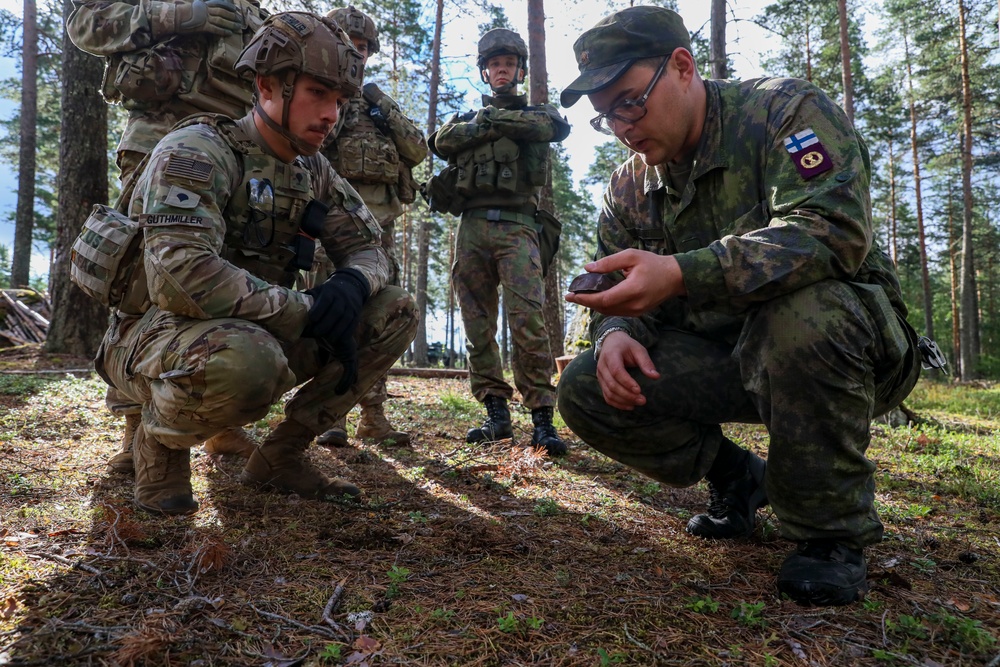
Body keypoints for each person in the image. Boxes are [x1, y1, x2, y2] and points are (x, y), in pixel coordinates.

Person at [557, 6, 922, 606]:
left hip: (847, 347)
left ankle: (827, 533)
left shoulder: (782, 111)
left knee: (799, 320)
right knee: (586, 386)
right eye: (606, 116)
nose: (621, 125)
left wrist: (682, 274)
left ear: (681, 67)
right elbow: (615, 290)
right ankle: (736, 479)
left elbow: (831, 230)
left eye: (629, 101)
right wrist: (617, 331)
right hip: (730, 359)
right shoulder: (627, 187)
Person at [72, 11, 417, 515]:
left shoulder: (312, 169)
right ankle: (158, 446)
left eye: (340, 101)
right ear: (268, 85)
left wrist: (351, 282)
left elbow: (370, 248)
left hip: (250, 329)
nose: (331, 115)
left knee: (394, 309)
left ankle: (281, 455)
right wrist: (306, 308)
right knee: (247, 361)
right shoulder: (198, 150)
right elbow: (180, 278)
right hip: (153, 338)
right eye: (318, 94)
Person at [67, 0, 271, 469]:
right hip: (158, 141)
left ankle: (220, 425)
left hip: (234, 154)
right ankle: (135, 428)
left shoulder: (256, 12)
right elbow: (86, 25)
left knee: (226, 272)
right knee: (142, 279)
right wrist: (172, 17)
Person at [427, 28, 571, 456]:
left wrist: (490, 122)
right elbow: (440, 142)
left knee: (528, 320)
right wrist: (484, 123)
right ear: (485, 73)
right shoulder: (464, 121)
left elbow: (553, 127)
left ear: (520, 70)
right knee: (477, 323)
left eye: (508, 64)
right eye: (493, 65)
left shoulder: (538, 116)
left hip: (518, 225)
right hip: (471, 228)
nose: (501, 69)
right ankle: (496, 415)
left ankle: (543, 419)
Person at [313, 5, 428, 448]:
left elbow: (416, 150)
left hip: (379, 230)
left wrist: (381, 104)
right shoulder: (326, 97)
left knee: (382, 317)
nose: (356, 55)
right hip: (334, 230)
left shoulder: (379, 104)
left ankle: (373, 415)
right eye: (348, 46)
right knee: (334, 316)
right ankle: (329, 415)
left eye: (362, 48)